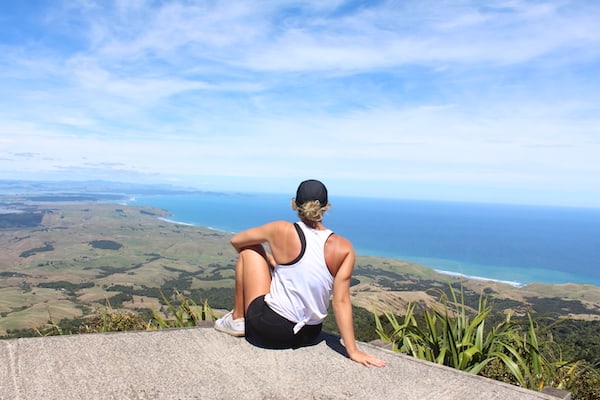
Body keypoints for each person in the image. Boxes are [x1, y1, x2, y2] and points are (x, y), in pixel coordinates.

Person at [214, 179, 386, 367]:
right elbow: (341, 301)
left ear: (295, 204)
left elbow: (237, 241)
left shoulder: (280, 229)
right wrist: (352, 351)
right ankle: (239, 318)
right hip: (309, 334)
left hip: (269, 331)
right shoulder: (343, 247)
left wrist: (268, 259)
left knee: (249, 251)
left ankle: (237, 319)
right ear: (326, 207)